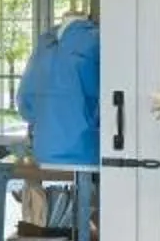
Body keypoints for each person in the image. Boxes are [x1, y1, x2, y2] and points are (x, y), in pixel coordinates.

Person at [17, 17, 101, 166]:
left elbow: (25, 104)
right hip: (87, 150)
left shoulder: (43, 47)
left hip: (43, 150)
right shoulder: (96, 41)